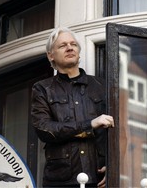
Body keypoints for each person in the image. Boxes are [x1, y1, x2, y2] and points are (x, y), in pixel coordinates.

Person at [31, 27, 114, 188]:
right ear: (51, 55)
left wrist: (114, 166)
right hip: (61, 180)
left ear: (79, 51)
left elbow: (119, 132)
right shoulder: (42, 88)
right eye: (62, 45)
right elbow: (44, 129)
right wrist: (89, 124)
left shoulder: (101, 86)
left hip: (99, 179)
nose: (70, 47)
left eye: (73, 44)